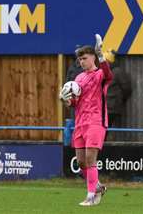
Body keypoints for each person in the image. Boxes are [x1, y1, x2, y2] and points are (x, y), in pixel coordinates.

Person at [59, 34, 113, 206]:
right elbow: (75, 103)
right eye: (79, 59)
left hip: (96, 121)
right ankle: (97, 186)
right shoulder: (78, 79)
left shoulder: (100, 75)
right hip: (80, 122)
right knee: (81, 162)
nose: (81, 62)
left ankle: (91, 197)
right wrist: (66, 100)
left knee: (90, 159)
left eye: (84, 58)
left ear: (93, 58)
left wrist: (102, 55)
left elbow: (109, 75)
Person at [107, 57, 132, 130]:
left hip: (112, 106)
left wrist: (121, 99)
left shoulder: (117, 72)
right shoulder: (104, 72)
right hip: (106, 107)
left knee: (103, 128)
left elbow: (127, 88)